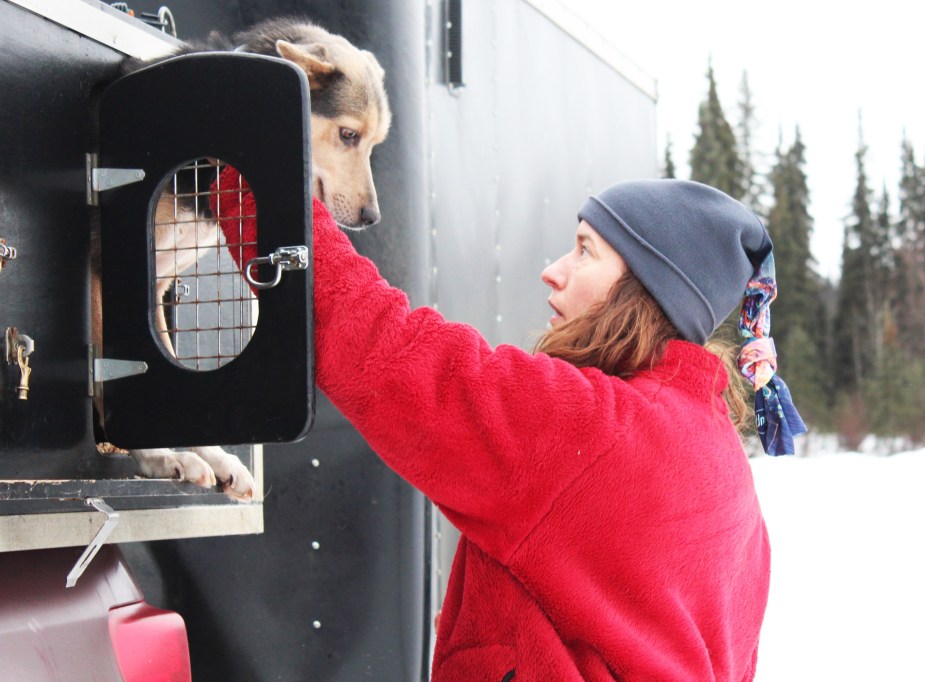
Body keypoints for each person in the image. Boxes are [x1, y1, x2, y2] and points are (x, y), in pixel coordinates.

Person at [213, 168, 805, 681]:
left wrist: (238, 175)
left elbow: (377, 344)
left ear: (646, 289)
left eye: (585, 249)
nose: (553, 270)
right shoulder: (719, 458)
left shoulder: (596, 432)